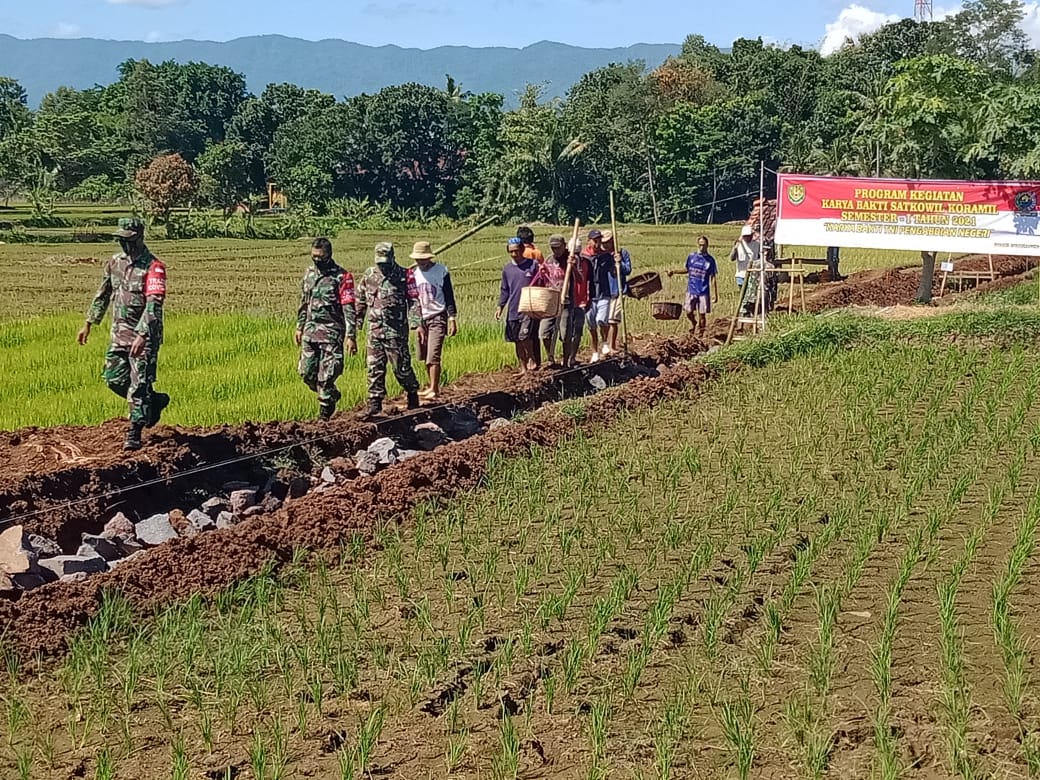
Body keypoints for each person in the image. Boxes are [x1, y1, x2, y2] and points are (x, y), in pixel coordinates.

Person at [77, 217, 169, 451]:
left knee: (138, 384)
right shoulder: (114, 263)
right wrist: (89, 322)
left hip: (144, 336)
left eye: (127, 240)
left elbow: (153, 305)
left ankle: (135, 432)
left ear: (139, 238)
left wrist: (142, 334)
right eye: (120, 240)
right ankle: (153, 400)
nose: (123, 244)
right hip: (119, 333)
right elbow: (103, 293)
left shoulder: (154, 267)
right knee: (113, 379)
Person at [355, 242, 421, 419]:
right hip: (375, 331)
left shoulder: (404, 275)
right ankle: (374, 403)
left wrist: (416, 322)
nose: (382, 265)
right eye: (380, 262)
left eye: (385, 261)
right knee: (374, 367)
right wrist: (356, 323)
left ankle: (412, 392)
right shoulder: (369, 275)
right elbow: (360, 300)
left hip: (396, 332)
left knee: (401, 368)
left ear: (392, 258)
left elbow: (414, 300)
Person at [294, 237, 357, 420]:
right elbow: (304, 302)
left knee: (327, 376)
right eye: (314, 256)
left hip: (332, 332)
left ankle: (324, 417)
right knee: (306, 373)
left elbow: (348, 307)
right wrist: (299, 327)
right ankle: (330, 394)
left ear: (329, 255)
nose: (317, 260)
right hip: (310, 331)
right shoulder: (309, 273)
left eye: (320, 257)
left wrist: (351, 336)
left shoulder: (342, 277)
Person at [409, 240, 458, 400]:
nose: (420, 262)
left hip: (438, 316)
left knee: (433, 354)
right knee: (424, 354)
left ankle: (435, 389)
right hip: (422, 318)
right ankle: (430, 385)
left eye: (423, 258)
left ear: (429, 257)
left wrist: (452, 317)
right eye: (418, 259)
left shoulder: (441, 271)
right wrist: (416, 323)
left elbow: (449, 295)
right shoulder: (414, 274)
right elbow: (412, 300)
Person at [496, 237, 540, 373]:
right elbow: (505, 290)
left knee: (524, 336)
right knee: (516, 340)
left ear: (522, 250)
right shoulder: (507, 269)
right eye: (511, 252)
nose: (514, 254)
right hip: (514, 309)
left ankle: (532, 358)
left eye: (516, 251)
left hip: (528, 308)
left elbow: (541, 282)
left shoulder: (533, 265)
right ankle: (523, 367)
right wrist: (500, 307)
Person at [586, 229, 631, 359]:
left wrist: (619, 263)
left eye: (606, 242)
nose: (604, 244)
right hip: (603, 292)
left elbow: (627, 270)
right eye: (602, 242)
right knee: (600, 321)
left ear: (613, 241)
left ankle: (610, 346)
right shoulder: (600, 256)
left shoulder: (621, 253)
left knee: (611, 320)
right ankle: (604, 347)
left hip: (617, 290)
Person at [668, 234, 718, 337]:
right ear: (697, 245)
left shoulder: (710, 261)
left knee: (702, 315)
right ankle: (693, 323)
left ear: (707, 245)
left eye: (704, 245)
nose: (702, 247)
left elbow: (713, 278)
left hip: (703, 291)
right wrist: (674, 271)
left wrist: (715, 294)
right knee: (688, 311)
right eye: (700, 245)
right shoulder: (692, 257)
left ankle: (701, 334)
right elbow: (687, 269)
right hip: (691, 290)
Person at [533, 234, 570, 366]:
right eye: (553, 248)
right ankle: (550, 357)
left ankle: (566, 361)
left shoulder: (571, 260)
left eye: (558, 248)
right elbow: (544, 280)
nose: (556, 251)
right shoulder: (549, 260)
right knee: (544, 332)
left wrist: (573, 266)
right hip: (550, 300)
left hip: (566, 301)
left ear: (564, 246)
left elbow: (580, 278)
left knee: (565, 335)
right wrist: (542, 272)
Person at [558, 237, 591, 368]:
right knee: (565, 333)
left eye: (578, 253)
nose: (576, 255)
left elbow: (584, 280)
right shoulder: (563, 262)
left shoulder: (585, 263)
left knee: (577, 331)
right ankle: (562, 358)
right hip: (567, 301)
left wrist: (589, 298)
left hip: (581, 302)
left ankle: (572, 357)